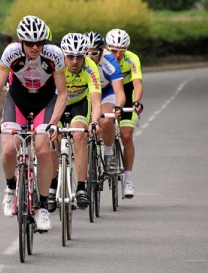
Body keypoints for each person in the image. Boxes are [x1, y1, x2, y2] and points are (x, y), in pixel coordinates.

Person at [0, 15, 68, 231]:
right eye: (30, 43)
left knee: (42, 152)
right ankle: (10, 186)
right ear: (21, 42)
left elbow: (62, 93)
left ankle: (41, 206)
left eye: (39, 42)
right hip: (18, 100)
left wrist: (53, 123)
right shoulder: (11, 53)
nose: (35, 47)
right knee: (7, 152)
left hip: (45, 101)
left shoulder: (54, 55)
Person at [47, 33, 102, 211]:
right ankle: (53, 184)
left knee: (79, 135)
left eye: (79, 56)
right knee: (52, 137)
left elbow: (95, 100)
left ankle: (80, 187)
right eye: (70, 56)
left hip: (79, 105)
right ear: (63, 54)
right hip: (57, 105)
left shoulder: (90, 67)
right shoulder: (56, 64)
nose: (75, 61)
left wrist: (94, 121)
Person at [105, 28, 144, 198]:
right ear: (107, 48)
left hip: (126, 92)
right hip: (107, 91)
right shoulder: (103, 58)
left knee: (126, 136)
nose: (118, 54)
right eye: (114, 50)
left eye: (122, 51)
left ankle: (128, 178)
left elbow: (137, 84)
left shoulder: (132, 58)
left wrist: (136, 101)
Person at [84, 31, 126, 174]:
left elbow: (119, 92)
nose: (89, 57)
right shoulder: (77, 60)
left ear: (101, 52)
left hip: (106, 93)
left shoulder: (110, 61)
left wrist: (118, 107)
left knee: (107, 120)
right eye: (86, 53)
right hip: (87, 93)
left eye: (94, 53)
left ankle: (108, 152)